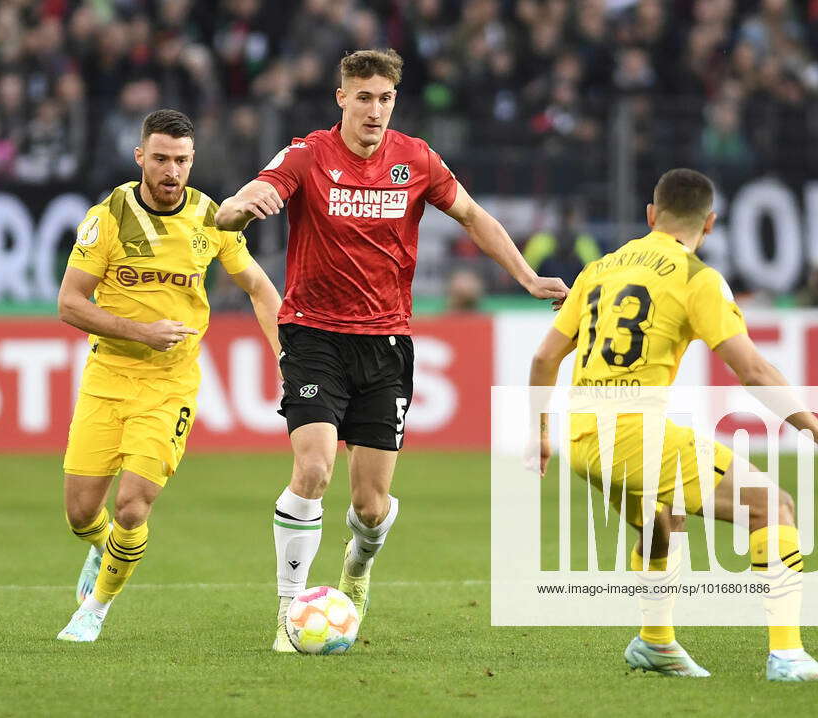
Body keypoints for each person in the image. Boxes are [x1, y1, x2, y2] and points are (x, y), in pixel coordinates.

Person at [214, 48, 569, 652]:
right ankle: (289, 611)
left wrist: (528, 278)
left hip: (385, 343)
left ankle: (356, 569)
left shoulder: (417, 159)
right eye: (363, 97)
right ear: (342, 99)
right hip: (313, 335)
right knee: (314, 467)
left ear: (393, 102)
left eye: (384, 99)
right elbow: (234, 206)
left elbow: (474, 216)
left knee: (371, 506)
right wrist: (240, 209)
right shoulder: (306, 156)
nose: (374, 110)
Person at [529, 168, 818, 682]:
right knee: (774, 506)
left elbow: (544, 359)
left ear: (651, 215)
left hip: (581, 439)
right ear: (711, 224)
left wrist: (540, 433)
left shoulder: (598, 269)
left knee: (661, 525)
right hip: (634, 437)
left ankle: (655, 643)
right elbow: (754, 370)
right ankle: (788, 655)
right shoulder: (697, 277)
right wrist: (815, 429)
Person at [55, 109, 282, 642]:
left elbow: (259, 288)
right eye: (160, 159)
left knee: (132, 505)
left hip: (170, 385)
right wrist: (140, 332)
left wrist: (285, 356)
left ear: (192, 160)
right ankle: (102, 549)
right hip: (107, 377)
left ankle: (94, 611)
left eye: (181, 160)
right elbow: (69, 303)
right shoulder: (108, 216)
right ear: (140, 158)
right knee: (81, 514)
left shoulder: (211, 219)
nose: (170, 171)